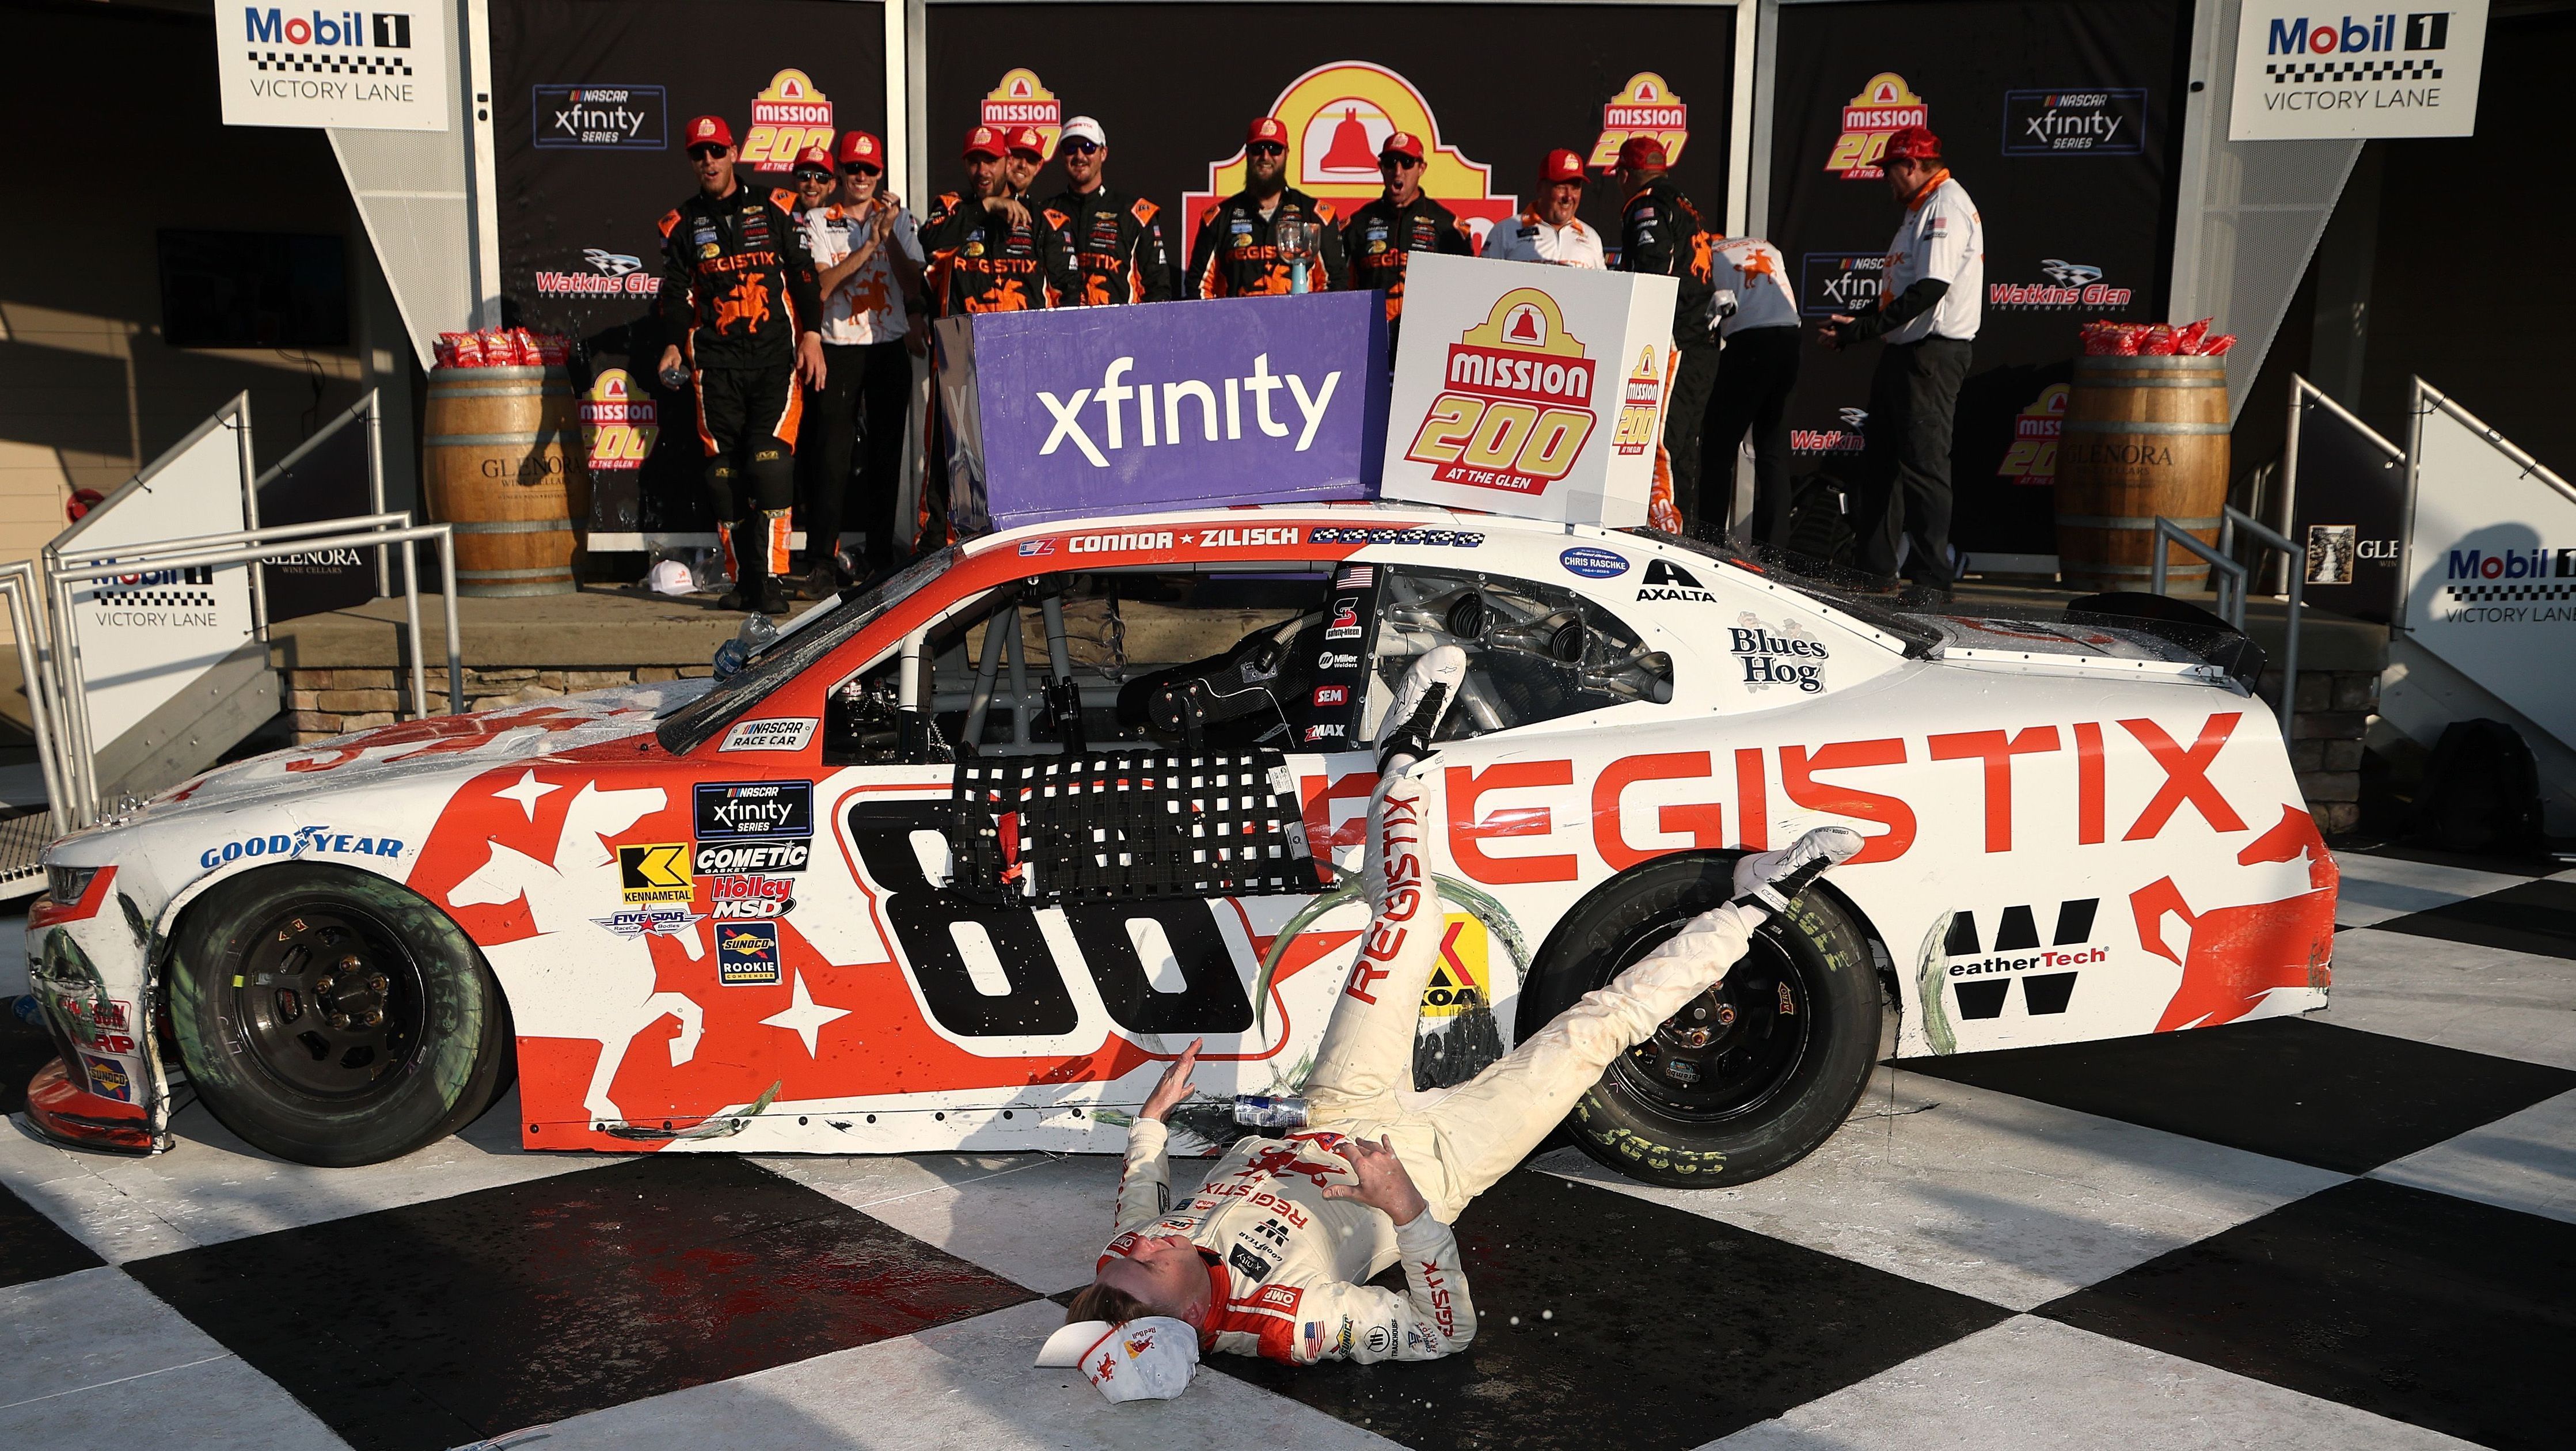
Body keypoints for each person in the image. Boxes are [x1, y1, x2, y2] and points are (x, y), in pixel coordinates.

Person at [1048, 646, 1863, 1395]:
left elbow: (1138, 1205)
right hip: (1431, 1168)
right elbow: (1444, 1334)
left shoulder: (1124, 1261)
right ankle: (1762, 896)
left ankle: (1400, 754)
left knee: (1408, 913)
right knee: (1594, 1032)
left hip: (1330, 1113)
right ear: (1192, 1321)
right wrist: (1405, 1211)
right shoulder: (1290, 1323)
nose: (1143, 1248)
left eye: (1128, 1259)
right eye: (1146, 1271)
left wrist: (1150, 1130)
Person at [656, 115, 826, 616]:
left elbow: (804, 275)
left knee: (770, 466)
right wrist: (670, 344)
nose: (707, 161)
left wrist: (812, 335)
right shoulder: (681, 223)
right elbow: (676, 292)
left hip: (775, 359)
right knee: (723, 476)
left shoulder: (775, 207)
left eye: (715, 151)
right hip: (715, 365)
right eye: (697, 154)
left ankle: (771, 577)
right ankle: (742, 578)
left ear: (734, 153)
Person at [1818, 124, 1982, 604]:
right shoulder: (1919, 209)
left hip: (1933, 354)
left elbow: (1931, 289)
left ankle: (1933, 581)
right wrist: (1856, 328)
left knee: (1924, 469)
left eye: (1889, 170)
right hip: (1906, 353)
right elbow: (1903, 293)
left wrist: (1862, 330)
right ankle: (1874, 573)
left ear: (1911, 165)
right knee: (1880, 466)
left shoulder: (1944, 206)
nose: (1885, 179)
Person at [795, 129, 922, 592]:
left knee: (886, 456)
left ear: (880, 172)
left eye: (870, 169)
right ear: (841, 172)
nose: (862, 177)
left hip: (887, 345)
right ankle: (821, 562)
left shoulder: (900, 219)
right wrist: (867, 245)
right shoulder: (818, 220)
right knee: (831, 457)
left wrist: (888, 238)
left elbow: (913, 286)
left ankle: (878, 557)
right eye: (853, 169)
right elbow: (823, 287)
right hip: (837, 347)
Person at [1613, 138, 1720, 534]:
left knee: (1660, 442)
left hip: (1673, 338)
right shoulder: (1684, 202)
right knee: (1683, 443)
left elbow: (1652, 272)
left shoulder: (1648, 204)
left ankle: (1665, 534)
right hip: (1701, 339)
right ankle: (1686, 532)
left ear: (1625, 175)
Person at [1699, 232, 1801, 547]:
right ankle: (1775, 556)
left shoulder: (1705, 254)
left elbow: (1709, 310)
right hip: (1791, 339)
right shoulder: (1766, 245)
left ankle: (1708, 545)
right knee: (1773, 453)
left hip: (1751, 344)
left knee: (1718, 449)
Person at [1184, 117, 1348, 299]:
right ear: (1247, 154)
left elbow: (1334, 285)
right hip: (1237, 325)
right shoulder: (1218, 218)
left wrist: (1311, 323)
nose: (1266, 157)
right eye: (1258, 149)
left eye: (1274, 149)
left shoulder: (1316, 214)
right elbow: (1198, 288)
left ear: (1286, 153)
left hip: (1297, 324)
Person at [1342, 130, 1473, 342]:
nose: (1398, 171)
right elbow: (1340, 289)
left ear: (1422, 168)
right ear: (1381, 168)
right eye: (1390, 163)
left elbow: (1465, 294)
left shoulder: (1447, 225)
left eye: (1407, 162)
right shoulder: (1358, 224)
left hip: (1427, 341)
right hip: (1369, 339)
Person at [918, 124, 1059, 316]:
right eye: (974, 162)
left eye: (991, 160)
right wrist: (985, 207)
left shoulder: (1040, 219)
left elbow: (1063, 290)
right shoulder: (952, 205)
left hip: (1027, 339)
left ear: (1008, 163)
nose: (983, 171)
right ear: (965, 165)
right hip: (965, 338)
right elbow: (930, 243)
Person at [1040, 115, 1175, 306]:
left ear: (1103, 153)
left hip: (1120, 330)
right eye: (1071, 149)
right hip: (1063, 330)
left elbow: (1157, 286)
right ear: (1062, 155)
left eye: (1088, 148)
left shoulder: (1134, 213)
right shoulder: (1044, 213)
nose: (1079, 156)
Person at [1480, 149, 1604, 268]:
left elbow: (1602, 288)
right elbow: (1485, 282)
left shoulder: (1592, 237)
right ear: (1540, 188)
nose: (1569, 196)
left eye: (1575, 188)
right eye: (1561, 187)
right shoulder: (1505, 232)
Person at [1004, 126, 1047, 201]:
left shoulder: (1039, 211)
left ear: (1039, 167)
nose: (1023, 165)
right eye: (1017, 156)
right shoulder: (981, 207)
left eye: (1031, 160)